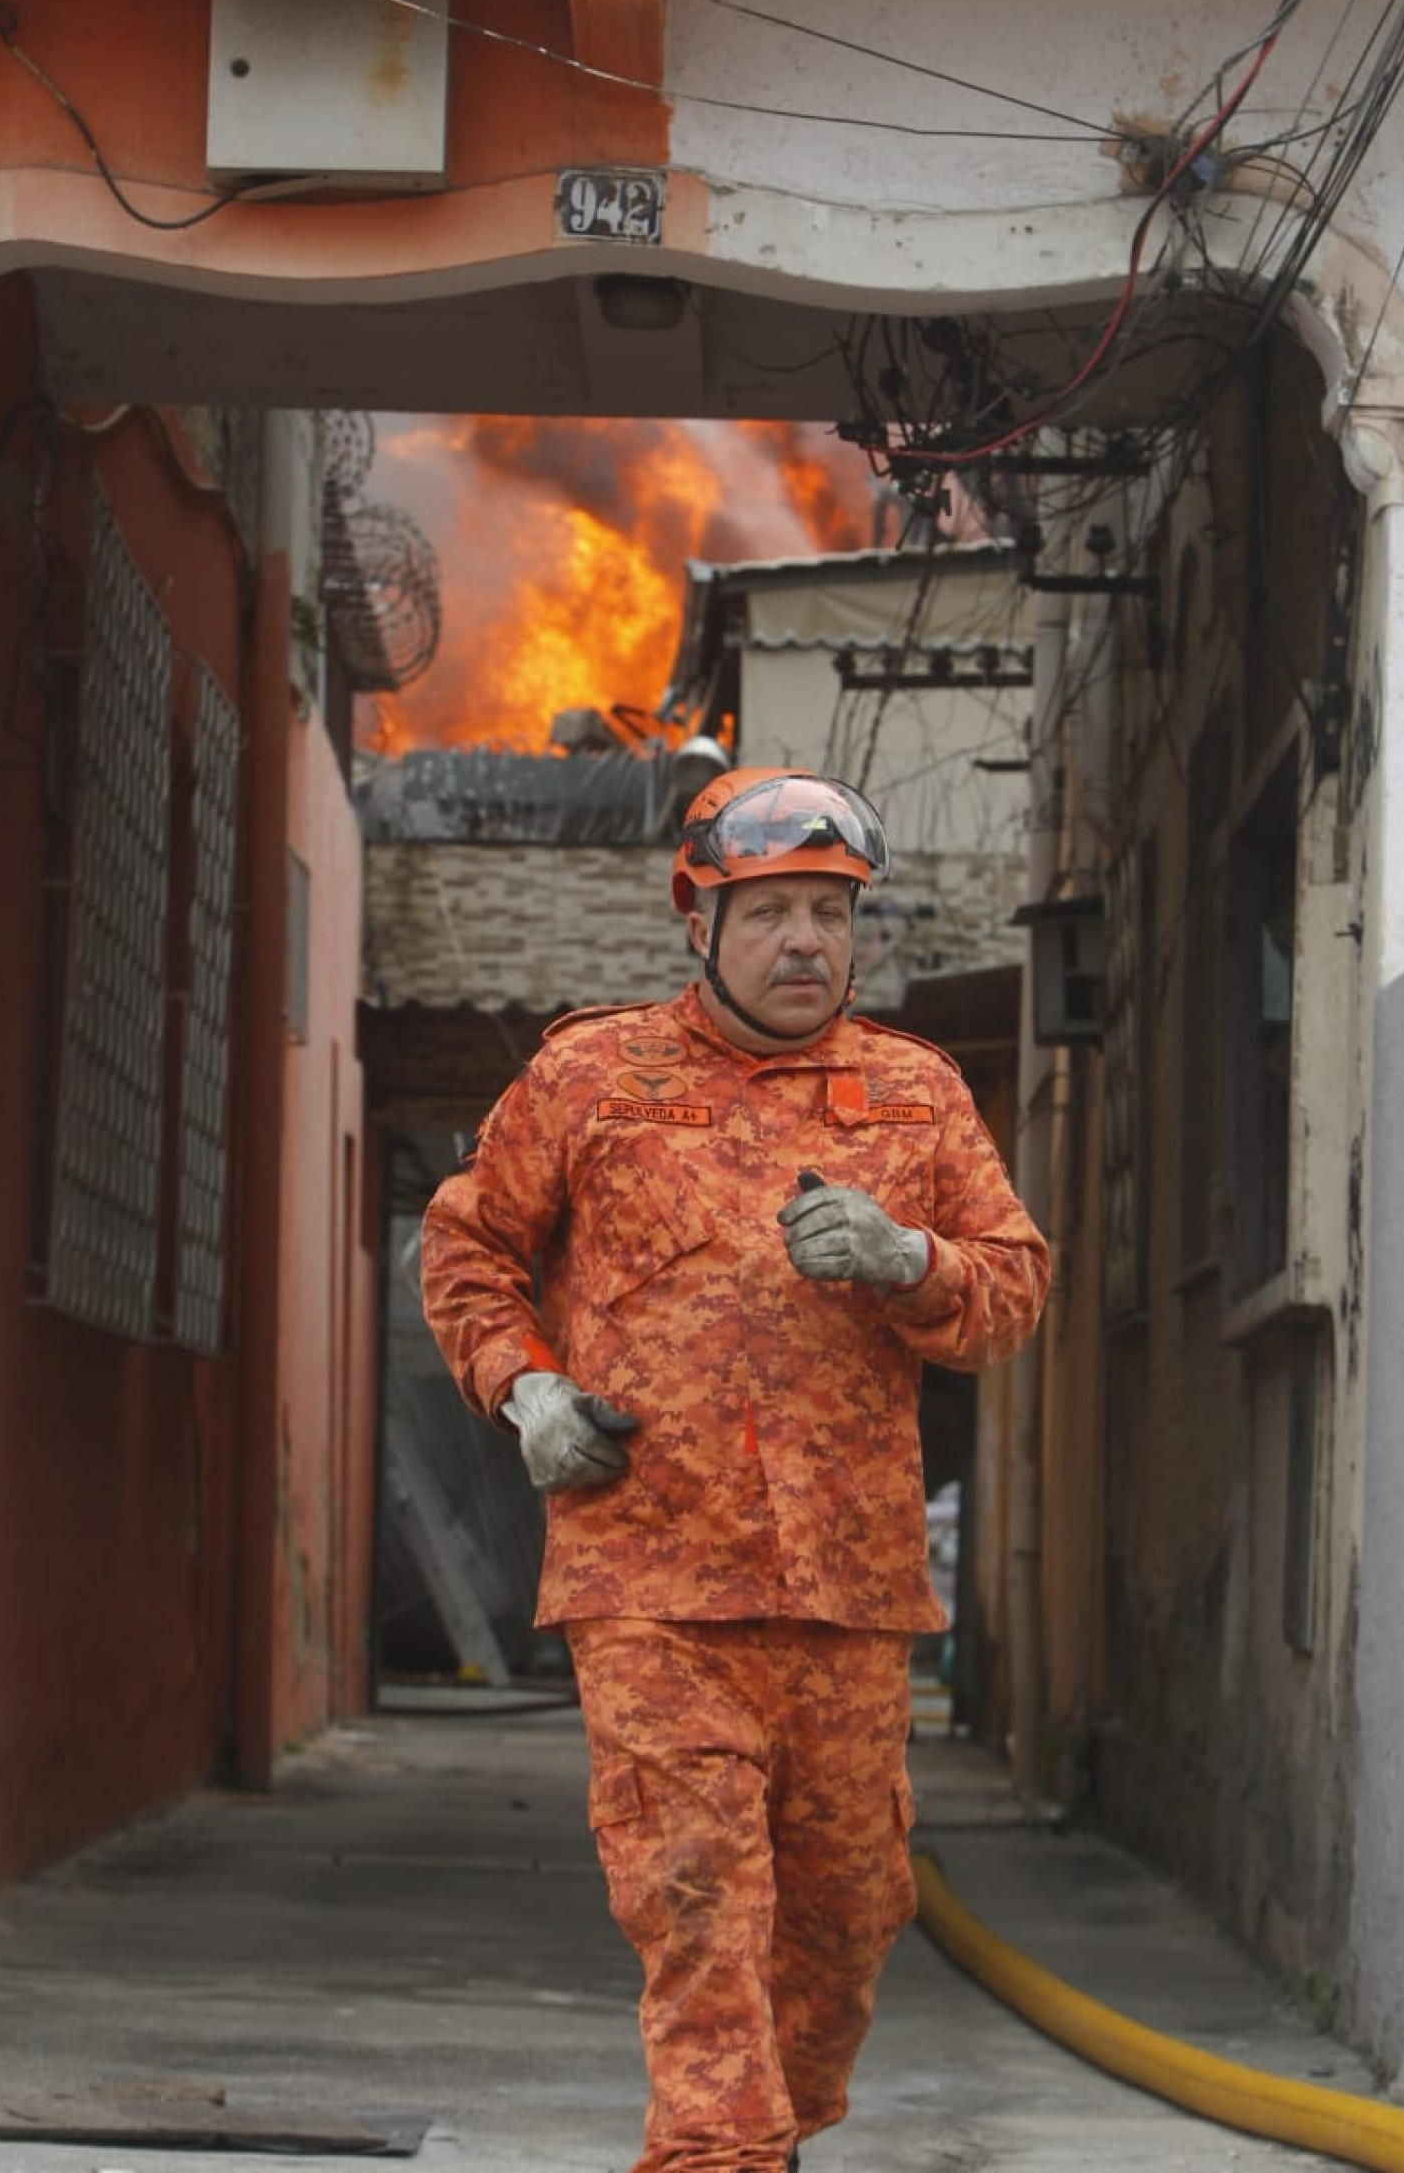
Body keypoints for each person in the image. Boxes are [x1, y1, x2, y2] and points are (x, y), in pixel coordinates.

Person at [420, 766, 1050, 2173]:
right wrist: (524, 1389)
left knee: (844, 1915)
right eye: (771, 912)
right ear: (699, 917)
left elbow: (1013, 1289)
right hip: (651, 1579)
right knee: (697, 1896)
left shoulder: (915, 1094)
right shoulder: (592, 1076)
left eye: (831, 912)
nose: (807, 942)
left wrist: (909, 1259)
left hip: (850, 1592)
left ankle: (768, 2126)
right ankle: (720, 2152)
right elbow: (465, 1244)